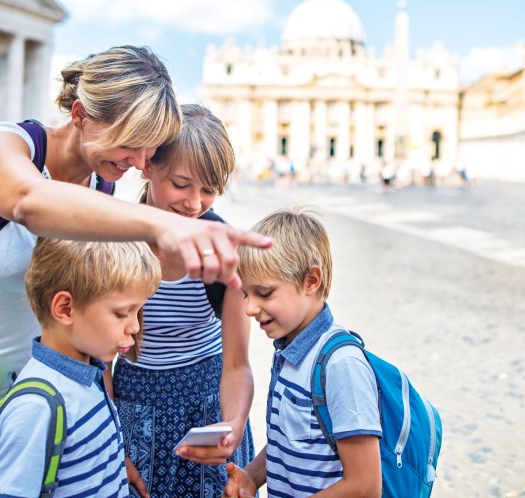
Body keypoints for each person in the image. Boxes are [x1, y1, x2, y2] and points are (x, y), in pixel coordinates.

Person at [0, 45, 271, 396]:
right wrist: (162, 224)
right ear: (81, 114)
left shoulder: (103, 185)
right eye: (131, 142)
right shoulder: (14, 144)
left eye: (151, 148)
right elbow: (27, 202)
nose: (142, 164)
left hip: (40, 386)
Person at [112, 104, 255, 498]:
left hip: (208, 406)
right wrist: (112, 444)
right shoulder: (115, 239)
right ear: (147, 166)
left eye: (208, 190)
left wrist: (233, 427)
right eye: (181, 184)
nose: (194, 203)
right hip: (133, 408)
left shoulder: (222, 250)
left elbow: (238, 364)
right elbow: (96, 358)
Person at [224, 208, 382, 498]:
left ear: (311, 280)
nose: (249, 309)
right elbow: (291, 439)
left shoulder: (341, 365)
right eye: (247, 294)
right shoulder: (288, 351)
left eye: (265, 293)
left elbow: (365, 486)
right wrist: (252, 477)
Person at [0, 236, 162, 498]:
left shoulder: (89, 374)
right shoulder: (36, 407)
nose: (135, 326)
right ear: (65, 309)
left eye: (138, 311)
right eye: (122, 313)